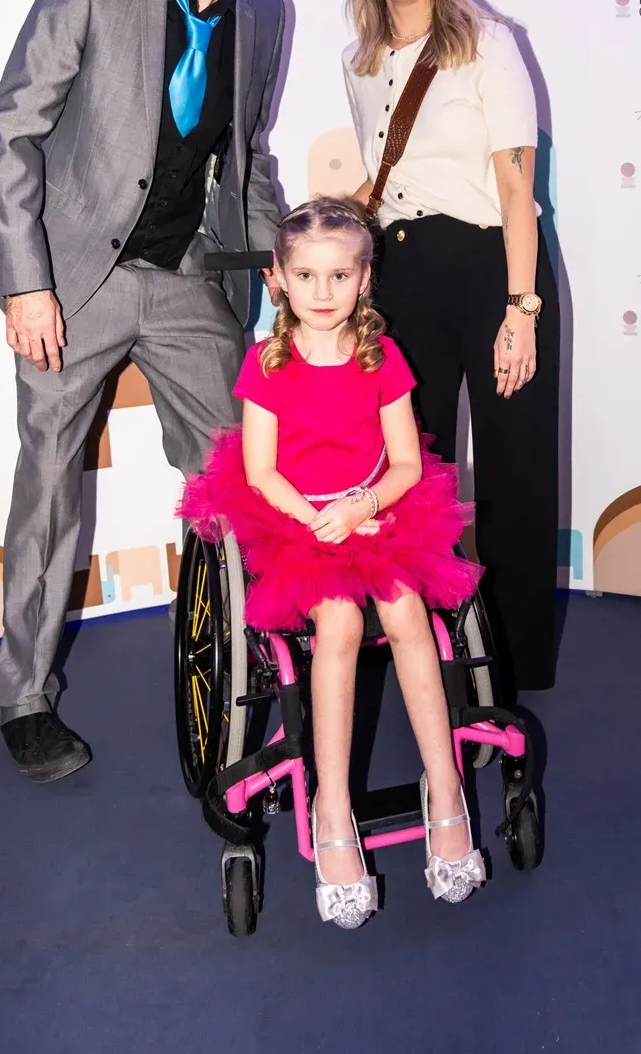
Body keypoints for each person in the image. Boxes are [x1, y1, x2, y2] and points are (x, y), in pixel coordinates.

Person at [0, 0, 298, 783]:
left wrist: (273, 257)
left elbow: (247, 155)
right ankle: (23, 696)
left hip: (188, 275)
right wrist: (26, 281)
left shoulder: (268, 15)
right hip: (74, 276)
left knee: (240, 470)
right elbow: (12, 132)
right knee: (49, 485)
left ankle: (240, 651)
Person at [181, 197, 485, 929]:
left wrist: (361, 507)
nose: (323, 292)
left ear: (364, 279)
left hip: (375, 508)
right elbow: (260, 472)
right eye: (307, 276)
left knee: (408, 610)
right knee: (341, 621)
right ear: (279, 278)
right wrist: (322, 522)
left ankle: (445, 787)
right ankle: (332, 804)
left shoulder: (383, 358)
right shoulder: (267, 364)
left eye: (340, 276)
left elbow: (407, 462)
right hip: (293, 518)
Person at [342, 0, 559, 697]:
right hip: (403, 276)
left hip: (496, 268)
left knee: (514, 473)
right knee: (414, 471)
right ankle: (424, 647)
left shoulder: (486, 44)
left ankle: (513, 666)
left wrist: (522, 310)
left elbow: (515, 189)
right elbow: (385, 181)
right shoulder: (359, 61)